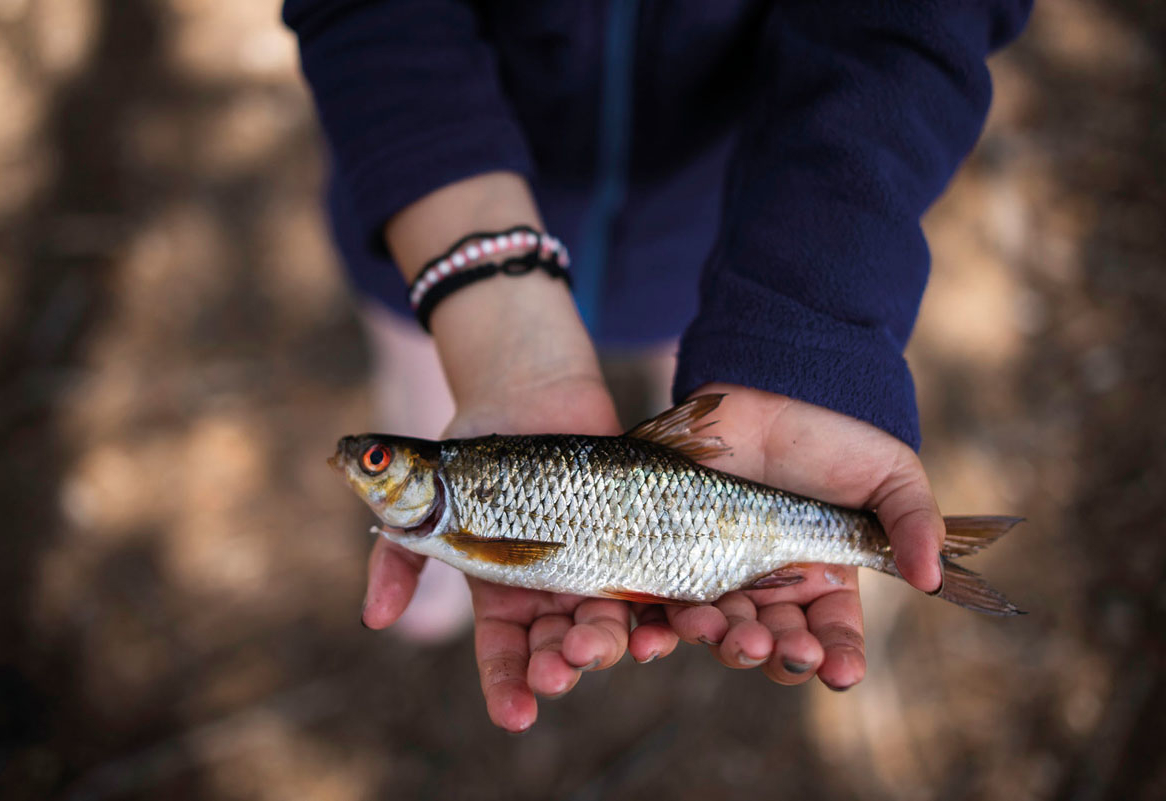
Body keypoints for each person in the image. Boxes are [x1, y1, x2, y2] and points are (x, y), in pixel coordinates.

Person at [282, 0, 1032, 732]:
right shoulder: (456, 483)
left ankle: (439, 595)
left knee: (704, 400)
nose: (362, 461)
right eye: (377, 462)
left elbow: (907, 25)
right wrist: (487, 303)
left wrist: (798, 335)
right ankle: (436, 600)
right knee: (434, 401)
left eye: (377, 460)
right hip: (452, 271)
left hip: (714, 255)